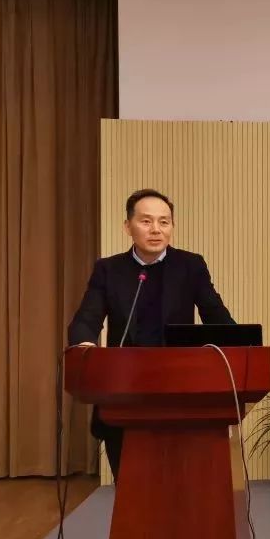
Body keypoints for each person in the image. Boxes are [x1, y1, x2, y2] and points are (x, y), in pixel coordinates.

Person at [68, 188, 234, 479]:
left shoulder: (190, 266)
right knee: (131, 483)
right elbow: (87, 319)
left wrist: (242, 346)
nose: (156, 229)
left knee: (181, 481)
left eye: (164, 221)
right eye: (146, 221)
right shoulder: (109, 269)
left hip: (180, 391)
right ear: (128, 226)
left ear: (172, 226)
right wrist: (84, 346)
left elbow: (216, 316)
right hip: (125, 393)